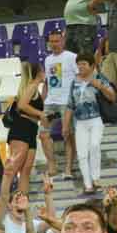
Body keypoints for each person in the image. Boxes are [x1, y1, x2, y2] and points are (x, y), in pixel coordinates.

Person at [68, 54, 117, 193]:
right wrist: (66, 125)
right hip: (80, 121)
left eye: (84, 64)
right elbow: (70, 104)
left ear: (91, 66)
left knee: (94, 145)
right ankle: (88, 184)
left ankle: (96, 178)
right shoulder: (74, 82)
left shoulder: (99, 77)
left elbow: (113, 97)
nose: (80, 66)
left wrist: (100, 86)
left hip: (96, 118)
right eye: (79, 64)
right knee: (82, 154)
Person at [0, 66, 44, 211]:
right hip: (21, 128)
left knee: (26, 170)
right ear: (38, 73)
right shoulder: (31, 86)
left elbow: (39, 103)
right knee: (12, 170)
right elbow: (22, 105)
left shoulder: (35, 88)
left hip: (31, 129)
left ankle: (22, 207)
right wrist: (40, 114)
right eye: (43, 71)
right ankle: (3, 205)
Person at [42, 30, 78, 180]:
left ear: (63, 41)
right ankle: (52, 165)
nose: (54, 44)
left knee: (67, 135)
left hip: (66, 102)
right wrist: (43, 99)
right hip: (50, 102)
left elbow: (79, 77)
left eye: (57, 41)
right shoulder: (47, 59)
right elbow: (47, 82)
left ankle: (68, 168)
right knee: (43, 134)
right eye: (51, 41)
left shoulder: (72, 57)